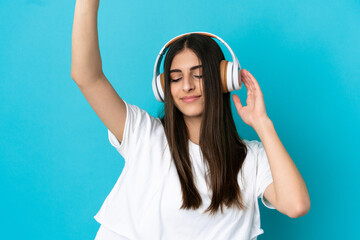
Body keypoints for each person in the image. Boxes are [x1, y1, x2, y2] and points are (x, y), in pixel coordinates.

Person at [71, 1, 310, 239]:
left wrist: (262, 123)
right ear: (164, 88)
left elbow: (296, 205)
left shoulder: (251, 159)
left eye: (199, 75)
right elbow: (86, 77)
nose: (187, 86)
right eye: (176, 78)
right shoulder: (143, 134)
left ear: (223, 80)